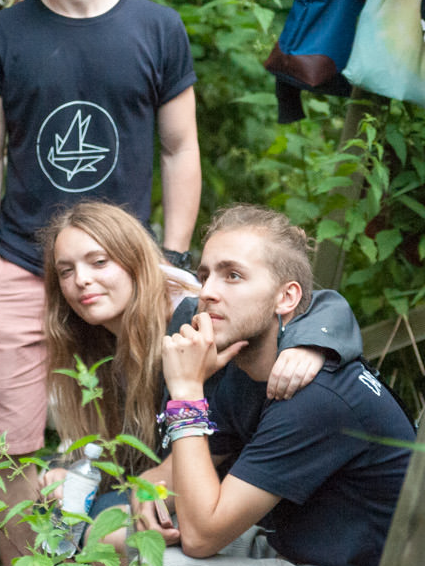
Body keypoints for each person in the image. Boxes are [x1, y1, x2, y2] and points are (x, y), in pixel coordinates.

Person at [0, 0, 203, 563]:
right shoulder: (6, 34)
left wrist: (173, 259)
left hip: (122, 271)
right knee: (2, 449)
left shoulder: (157, 29)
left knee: (125, 439)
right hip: (17, 262)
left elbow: (180, 148)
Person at [159, 205, 415, 566]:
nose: (209, 291)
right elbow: (197, 480)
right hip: (302, 565)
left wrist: (186, 393)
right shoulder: (245, 366)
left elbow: (202, 534)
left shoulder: (315, 394)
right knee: (134, 549)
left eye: (233, 275)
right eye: (206, 274)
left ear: (286, 298)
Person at [40, 201, 353, 546]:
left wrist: (312, 342)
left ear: (135, 260)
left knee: (96, 536)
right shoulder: (89, 342)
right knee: (63, 520)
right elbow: (107, 446)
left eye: (99, 262)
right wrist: (68, 468)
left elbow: (321, 304)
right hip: (162, 485)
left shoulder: (195, 321)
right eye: (65, 271)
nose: (81, 280)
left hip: (234, 499)